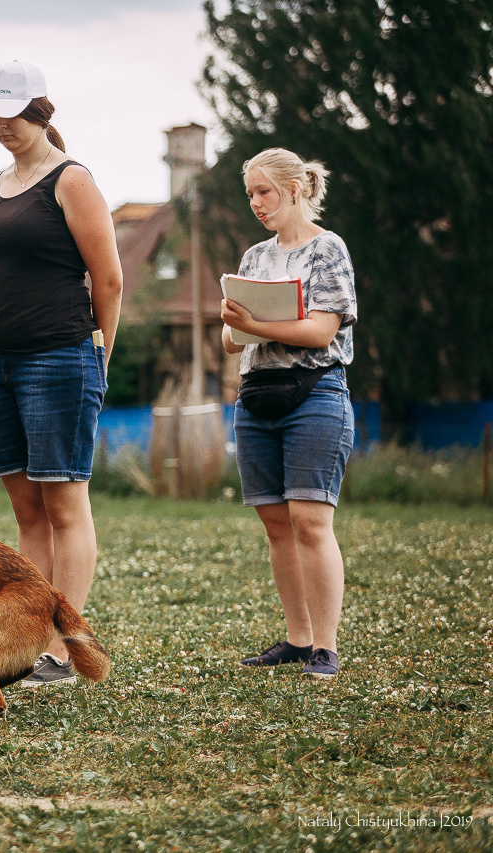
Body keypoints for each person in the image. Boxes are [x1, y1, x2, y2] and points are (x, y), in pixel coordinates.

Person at [0, 61, 123, 688]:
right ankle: (28, 644)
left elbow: (108, 278)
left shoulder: (72, 178)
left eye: (12, 112)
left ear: (39, 110)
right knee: (26, 510)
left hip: (59, 353)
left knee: (64, 503)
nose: (3, 125)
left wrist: (100, 352)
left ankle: (64, 647)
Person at [222, 148, 356, 679]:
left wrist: (255, 324)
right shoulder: (254, 257)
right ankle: (298, 639)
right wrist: (234, 321)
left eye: (265, 192)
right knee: (277, 523)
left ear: (295, 189)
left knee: (309, 519)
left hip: (315, 393)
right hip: (256, 395)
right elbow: (232, 342)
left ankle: (326, 646)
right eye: (250, 193)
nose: (256, 203)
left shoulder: (328, 249)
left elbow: (323, 332)